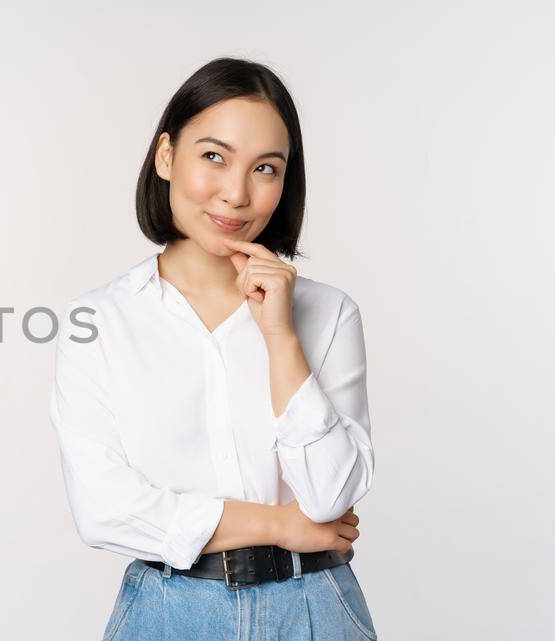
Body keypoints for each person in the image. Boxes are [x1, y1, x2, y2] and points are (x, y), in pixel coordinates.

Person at [48, 58, 378, 640]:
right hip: (170, 614)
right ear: (166, 156)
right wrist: (280, 526)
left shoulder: (328, 314)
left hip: (315, 612)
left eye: (266, 168)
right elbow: (104, 510)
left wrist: (280, 336)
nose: (236, 193)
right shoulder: (99, 321)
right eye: (214, 157)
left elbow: (330, 495)